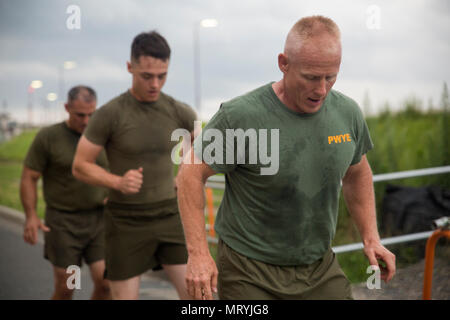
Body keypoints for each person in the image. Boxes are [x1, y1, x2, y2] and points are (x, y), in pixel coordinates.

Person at [176, 15, 396, 300]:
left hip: (318, 265)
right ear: (284, 63)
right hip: (249, 270)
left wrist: (371, 237)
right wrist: (198, 254)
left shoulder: (347, 114)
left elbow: (357, 173)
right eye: (311, 77)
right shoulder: (240, 116)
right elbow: (190, 174)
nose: (321, 90)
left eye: (330, 76)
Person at [72, 31, 197, 300]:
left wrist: (184, 173)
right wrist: (116, 182)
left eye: (162, 75)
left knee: (198, 298)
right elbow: (80, 165)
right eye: (146, 76)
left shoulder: (179, 111)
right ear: (130, 68)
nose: (155, 84)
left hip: (169, 216)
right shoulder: (110, 114)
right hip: (125, 221)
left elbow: (201, 152)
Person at [20, 86, 111, 300]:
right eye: (80, 115)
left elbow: (115, 170)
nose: (87, 121)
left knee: (106, 284)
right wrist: (31, 216)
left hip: (99, 222)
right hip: (63, 224)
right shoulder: (49, 137)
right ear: (67, 108)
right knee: (69, 285)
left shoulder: (102, 137)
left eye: (91, 114)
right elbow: (29, 177)